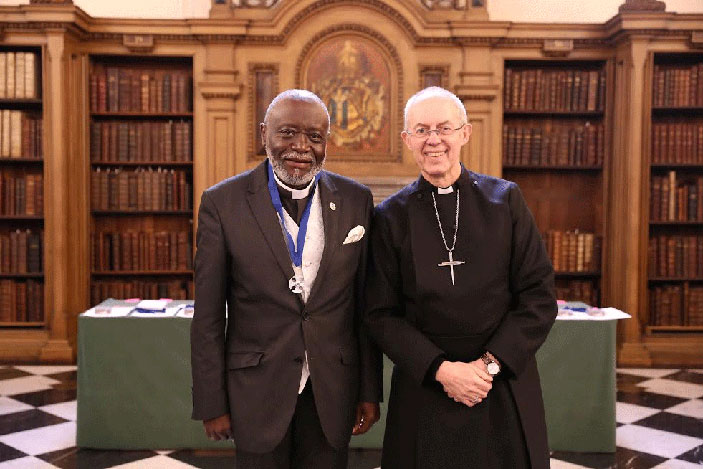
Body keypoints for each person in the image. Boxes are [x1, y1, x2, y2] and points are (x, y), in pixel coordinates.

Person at [365, 86, 557, 469]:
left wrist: (486, 367)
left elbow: (538, 297)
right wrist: (442, 371)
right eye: (421, 130)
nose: (433, 139)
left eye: (444, 128)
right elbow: (380, 314)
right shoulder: (389, 217)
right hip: (425, 387)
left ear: (465, 133)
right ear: (407, 140)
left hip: (498, 385)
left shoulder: (505, 201)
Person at [191, 89, 381, 469]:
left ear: (326, 142)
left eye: (314, 137)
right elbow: (208, 315)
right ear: (264, 133)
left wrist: (368, 390)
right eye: (288, 133)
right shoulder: (222, 203)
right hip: (256, 390)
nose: (301, 147)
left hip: (332, 390)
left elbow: (363, 307)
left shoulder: (356, 200)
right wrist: (211, 402)